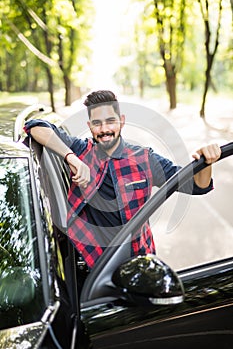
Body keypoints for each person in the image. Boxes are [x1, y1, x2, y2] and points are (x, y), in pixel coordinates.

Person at [24, 90, 221, 270]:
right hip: (94, 267)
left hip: (139, 263)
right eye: (97, 123)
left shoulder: (145, 159)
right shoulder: (80, 150)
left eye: (110, 121)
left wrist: (207, 161)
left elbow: (197, 186)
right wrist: (70, 157)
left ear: (122, 121)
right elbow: (35, 126)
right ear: (89, 126)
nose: (104, 129)